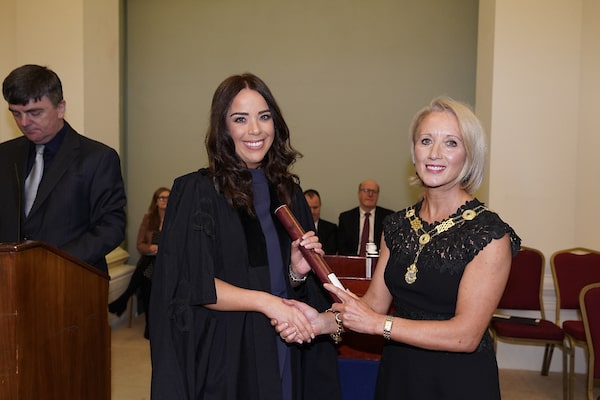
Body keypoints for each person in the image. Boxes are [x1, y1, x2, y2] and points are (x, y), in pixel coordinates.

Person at [276, 96, 521, 399]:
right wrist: (321, 322)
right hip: (399, 373)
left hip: (457, 380)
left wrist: (379, 324)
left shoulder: (489, 233)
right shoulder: (397, 225)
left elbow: (466, 336)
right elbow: (374, 305)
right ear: (414, 151)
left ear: (470, 154)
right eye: (426, 140)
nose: (435, 153)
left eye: (451, 143)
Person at [149, 73, 341, 400]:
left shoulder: (289, 193)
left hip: (282, 340)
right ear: (223, 128)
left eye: (264, 117)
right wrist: (268, 303)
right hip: (227, 349)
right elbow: (194, 283)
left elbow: (285, 282)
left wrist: (296, 271)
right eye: (240, 119)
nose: (255, 130)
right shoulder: (197, 191)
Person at [0, 64, 126, 273]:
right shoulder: (5, 155)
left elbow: (111, 228)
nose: (24, 122)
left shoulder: (97, 158)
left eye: (34, 113)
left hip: (71, 279)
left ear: (60, 108)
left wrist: (53, 262)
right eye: (16, 114)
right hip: (9, 280)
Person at [109, 186, 170, 338]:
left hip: (167, 263)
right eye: (161, 198)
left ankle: (124, 299)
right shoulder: (149, 219)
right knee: (147, 280)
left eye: (168, 198)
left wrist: (163, 249)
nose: (165, 201)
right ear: (156, 201)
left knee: (144, 271)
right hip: (151, 261)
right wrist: (151, 248)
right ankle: (150, 325)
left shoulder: (176, 219)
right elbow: (140, 245)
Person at [337, 179, 393, 256]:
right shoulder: (346, 218)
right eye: (366, 190)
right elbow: (342, 248)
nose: (370, 194)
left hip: (379, 259)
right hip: (353, 260)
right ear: (359, 193)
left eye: (374, 192)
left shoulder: (389, 217)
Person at [304, 189, 338, 254]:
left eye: (315, 207)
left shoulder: (331, 229)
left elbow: (331, 253)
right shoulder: (295, 228)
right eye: (308, 208)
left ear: (320, 206)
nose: (312, 212)